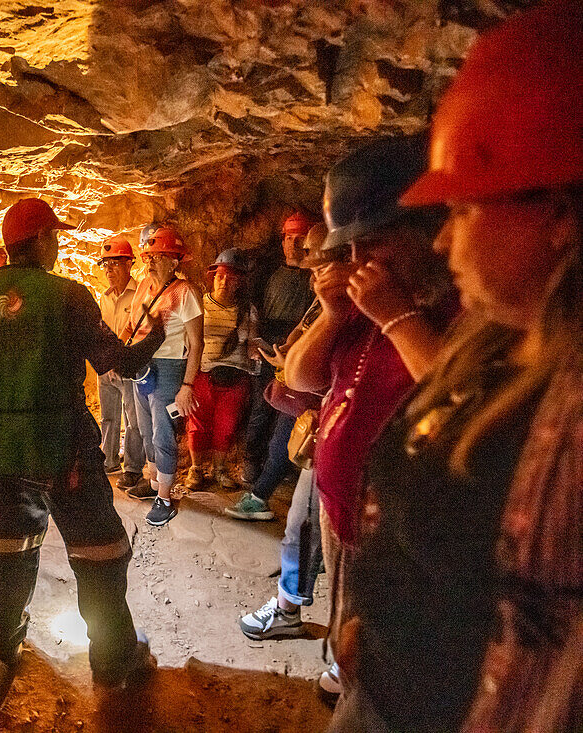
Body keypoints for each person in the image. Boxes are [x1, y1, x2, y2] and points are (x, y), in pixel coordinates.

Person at [334, 4, 583, 731]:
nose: (443, 242)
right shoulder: (492, 340)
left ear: (560, 214)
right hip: (381, 691)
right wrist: (365, 624)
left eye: (466, 211)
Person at [0, 198, 163, 687]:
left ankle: (4, 644)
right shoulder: (69, 295)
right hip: (65, 451)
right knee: (99, 551)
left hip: (2, 451)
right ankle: (113, 658)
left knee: (8, 548)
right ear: (42, 240)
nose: (59, 244)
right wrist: (154, 337)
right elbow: (119, 364)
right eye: (55, 237)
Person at [284, 133, 458, 706]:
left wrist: (397, 316)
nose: (355, 263)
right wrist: (334, 315)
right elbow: (301, 378)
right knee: (349, 625)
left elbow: (462, 402)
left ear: (424, 235)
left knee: (386, 667)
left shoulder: (457, 310)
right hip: (344, 513)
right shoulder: (359, 302)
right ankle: (342, 671)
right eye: (348, 249)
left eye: (373, 244)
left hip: (405, 533)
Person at [238, 224, 329, 639]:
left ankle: (291, 608)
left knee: (307, 520)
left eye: (315, 252)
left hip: (330, 424)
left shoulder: (339, 302)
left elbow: (302, 369)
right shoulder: (318, 298)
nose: (308, 259)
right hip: (325, 423)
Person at [121, 226, 203, 528]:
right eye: (149, 255)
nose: (151, 261)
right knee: (144, 427)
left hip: (170, 367)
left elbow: (196, 343)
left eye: (160, 256)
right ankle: (154, 481)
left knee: (163, 431)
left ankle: (165, 498)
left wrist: (187, 385)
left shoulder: (185, 292)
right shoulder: (143, 286)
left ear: (175, 260)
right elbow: (132, 325)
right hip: (142, 363)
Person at [242, 212, 314, 485]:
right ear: (282, 241)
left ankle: (284, 463)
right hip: (269, 340)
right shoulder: (268, 273)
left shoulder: (314, 277)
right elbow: (252, 309)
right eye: (288, 239)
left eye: (299, 239)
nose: (293, 245)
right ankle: (252, 460)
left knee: (292, 408)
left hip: (299, 344)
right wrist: (254, 340)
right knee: (261, 405)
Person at [183, 247, 257, 492]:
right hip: (204, 371)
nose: (225, 281)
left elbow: (253, 340)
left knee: (226, 426)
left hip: (236, 376)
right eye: (220, 276)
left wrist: (256, 351)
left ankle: (220, 469)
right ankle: (196, 469)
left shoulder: (247, 311)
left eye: (232, 277)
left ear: (240, 282)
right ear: (212, 277)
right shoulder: (200, 305)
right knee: (197, 423)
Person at [95, 234, 144, 490]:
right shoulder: (104, 297)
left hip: (128, 367)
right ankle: (109, 459)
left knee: (133, 419)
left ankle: (133, 468)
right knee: (109, 417)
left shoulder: (140, 295)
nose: (109, 270)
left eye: (115, 263)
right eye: (106, 264)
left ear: (129, 264)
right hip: (106, 367)